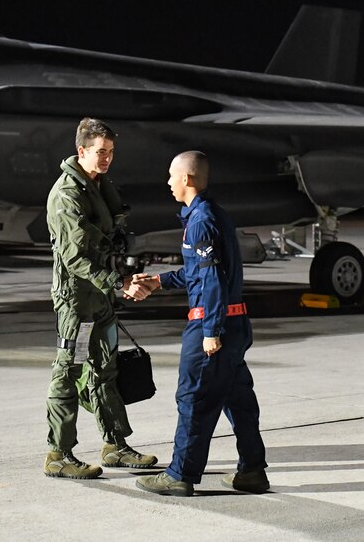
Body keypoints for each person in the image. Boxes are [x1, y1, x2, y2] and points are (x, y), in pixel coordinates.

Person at [125, 150, 269, 496]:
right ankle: (252, 471)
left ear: (187, 179)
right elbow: (197, 274)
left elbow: (213, 281)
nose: (168, 182)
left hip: (211, 323)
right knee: (238, 400)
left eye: (172, 176)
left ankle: (180, 474)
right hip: (235, 324)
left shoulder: (201, 221)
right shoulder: (212, 214)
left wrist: (210, 332)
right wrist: (159, 281)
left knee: (193, 398)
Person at [44, 117, 158, 479]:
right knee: (69, 370)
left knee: (106, 370)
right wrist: (118, 283)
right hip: (78, 303)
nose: (106, 158)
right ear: (82, 151)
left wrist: (120, 278)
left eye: (110, 152)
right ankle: (58, 454)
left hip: (101, 301)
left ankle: (115, 446)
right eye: (99, 152)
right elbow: (77, 259)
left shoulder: (100, 187)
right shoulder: (66, 196)